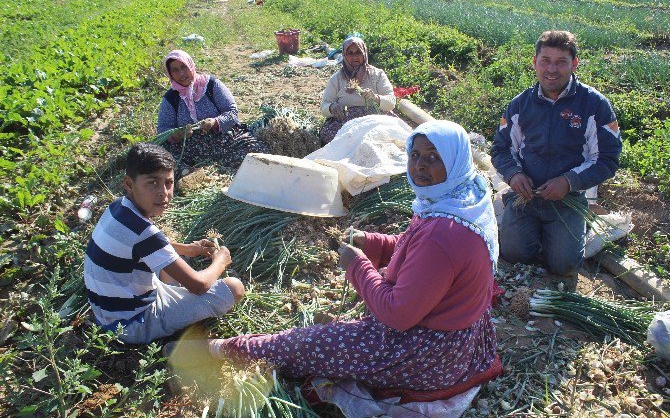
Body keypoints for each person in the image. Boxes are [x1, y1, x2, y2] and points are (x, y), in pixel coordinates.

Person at [203, 121, 499, 396]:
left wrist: (358, 267)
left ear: (455, 160)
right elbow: (416, 251)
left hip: (428, 355)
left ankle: (228, 349)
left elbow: (398, 314)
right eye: (416, 154)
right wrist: (373, 243)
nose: (420, 165)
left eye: (434, 157)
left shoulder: (442, 232)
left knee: (308, 344)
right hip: (462, 340)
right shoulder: (461, 201)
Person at [491, 30, 622, 283]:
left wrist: (569, 182)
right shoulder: (520, 104)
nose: (552, 69)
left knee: (564, 265)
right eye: (545, 61)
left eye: (561, 62)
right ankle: (532, 228)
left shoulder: (595, 105)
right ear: (535, 62)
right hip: (526, 196)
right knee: (514, 254)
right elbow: (500, 149)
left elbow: (607, 158)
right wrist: (514, 174)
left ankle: (575, 224)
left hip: (568, 199)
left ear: (574, 64)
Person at [83, 143, 245, 344]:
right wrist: (220, 261)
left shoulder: (118, 207)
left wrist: (188, 249)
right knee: (233, 287)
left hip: (110, 312)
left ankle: (178, 306)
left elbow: (145, 247)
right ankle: (174, 328)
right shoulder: (145, 234)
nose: (163, 192)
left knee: (174, 260)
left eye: (168, 183)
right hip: (132, 324)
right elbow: (199, 285)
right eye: (152, 183)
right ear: (129, 183)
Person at [157, 50, 268, 177]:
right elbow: (163, 129)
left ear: (191, 65)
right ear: (170, 73)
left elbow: (232, 112)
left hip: (225, 142)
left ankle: (219, 169)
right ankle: (192, 174)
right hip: (190, 150)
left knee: (258, 150)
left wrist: (215, 122)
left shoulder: (210, 85)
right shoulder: (171, 98)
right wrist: (177, 134)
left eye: (184, 67)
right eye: (175, 70)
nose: (181, 74)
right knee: (161, 161)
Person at [319, 37, 397, 144]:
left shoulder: (377, 75)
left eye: (358, 52)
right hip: (346, 123)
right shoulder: (337, 79)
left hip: (375, 120)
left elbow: (391, 102)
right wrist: (332, 107)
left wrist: (376, 98)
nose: (354, 57)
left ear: (364, 53)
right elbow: (324, 106)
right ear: (344, 55)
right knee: (335, 138)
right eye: (350, 53)